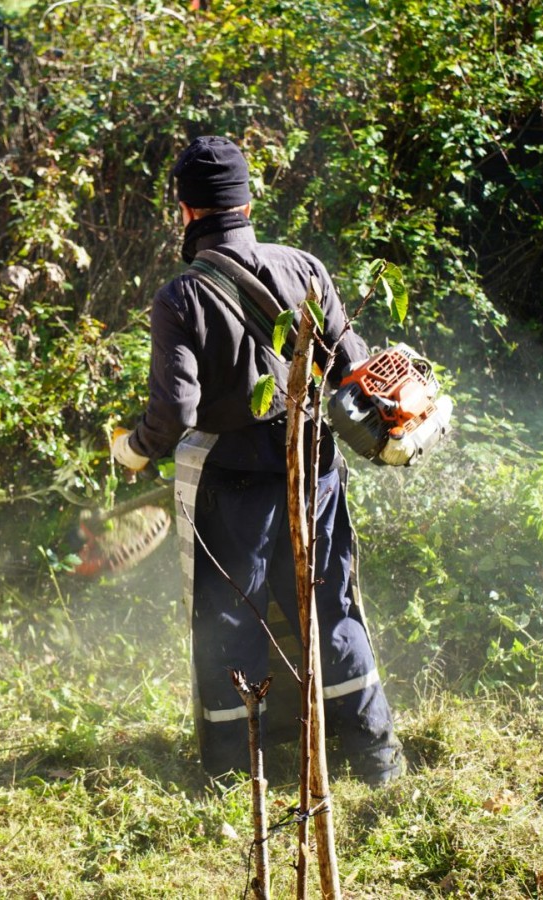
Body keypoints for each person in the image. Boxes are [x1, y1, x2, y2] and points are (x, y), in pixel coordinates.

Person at [110, 136, 403, 785]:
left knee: (229, 619)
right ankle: (372, 755)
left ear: (186, 210)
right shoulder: (304, 267)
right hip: (316, 469)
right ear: (246, 201)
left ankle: (234, 773)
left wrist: (132, 449)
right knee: (330, 607)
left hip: (232, 486)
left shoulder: (180, 298)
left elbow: (176, 413)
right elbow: (354, 369)